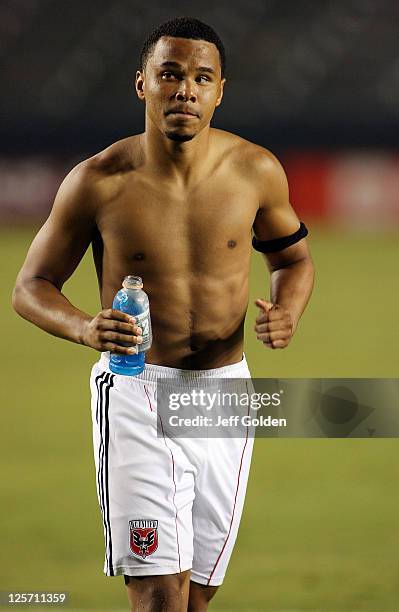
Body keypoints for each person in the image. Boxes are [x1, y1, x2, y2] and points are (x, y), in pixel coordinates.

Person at [12, 16, 314, 612]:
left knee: (196, 599)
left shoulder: (256, 171)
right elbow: (30, 286)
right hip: (136, 391)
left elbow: (294, 260)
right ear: (142, 83)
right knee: (157, 598)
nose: (186, 90)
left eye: (202, 78)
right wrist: (83, 326)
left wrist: (288, 310)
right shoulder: (97, 182)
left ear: (220, 91)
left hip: (225, 394)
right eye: (170, 74)